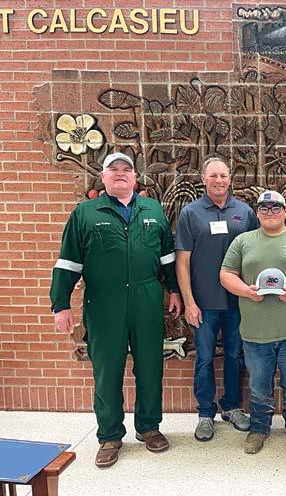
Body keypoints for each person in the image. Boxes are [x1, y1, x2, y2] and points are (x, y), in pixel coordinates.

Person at [50, 152, 182, 468]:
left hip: (147, 300)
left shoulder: (152, 210)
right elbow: (68, 262)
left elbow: (167, 257)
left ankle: (149, 428)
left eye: (127, 169)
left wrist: (174, 290)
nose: (121, 173)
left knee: (150, 366)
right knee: (107, 371)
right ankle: (109, 436)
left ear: (135, 177)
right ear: (104, 177)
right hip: (104, 302)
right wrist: (61, 304)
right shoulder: (85, 213)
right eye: (114, 169)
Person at [220, 190, 286, 454]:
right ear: (257, 213)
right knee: (258, 385)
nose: (270, 212)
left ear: (285, 211)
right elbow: (226, 273)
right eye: (264, 208)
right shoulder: (243, 241)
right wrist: (245, 291)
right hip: (255, 331)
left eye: (276, 207)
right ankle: (259, 428)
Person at [175, 157, 258, 441]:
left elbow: (256, 253)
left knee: (235, 356)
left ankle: (232, 407)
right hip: (204, 304)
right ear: (204, 179)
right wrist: (189, 302)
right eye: (213, 175)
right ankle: (205, 413)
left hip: (238, 302)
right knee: (204, 359)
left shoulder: (244, 212)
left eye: (223, 175)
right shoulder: (191, 213)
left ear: (230, 179)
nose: (219, 180)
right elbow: (182, 262)